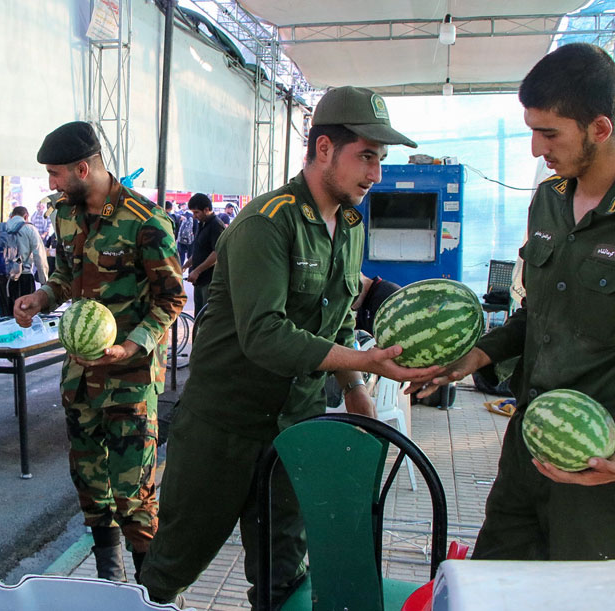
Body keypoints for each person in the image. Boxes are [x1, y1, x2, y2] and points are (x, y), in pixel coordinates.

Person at [139, 86, 436, 608]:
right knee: (172, 568)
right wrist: (363, 360)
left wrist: (355, 388)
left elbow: (338, 316)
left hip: (294, 431)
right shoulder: (266, 223)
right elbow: (264, 336)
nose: (376, 174)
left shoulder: (348, 226)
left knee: (283, 579)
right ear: (324, 149)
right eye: (366, 156)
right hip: (222, 430)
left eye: (381, 159)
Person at [412, 43, 615, 560]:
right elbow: (537, 315)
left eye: (549, 133)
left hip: (597, 469)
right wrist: (470, 359)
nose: (534, 148)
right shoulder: (549, 199)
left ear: (601, 128)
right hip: (527, 446)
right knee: (494, 580)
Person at [14, 121, 186, 584]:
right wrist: (42, 298)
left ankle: (155, 593)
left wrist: (133, 344)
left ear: (82, 168)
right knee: (91, 484)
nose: (50, 183)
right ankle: (110, 579)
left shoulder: (145, 220)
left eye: (54, 173)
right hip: (81, 377)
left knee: (134, 492)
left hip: (129, 377)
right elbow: (68, 277)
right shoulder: (65, 215)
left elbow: (172, 297)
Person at [0, 206, 49, 319]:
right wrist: (44, 282)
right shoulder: (30, 229)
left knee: (5, 320)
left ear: (12, 216)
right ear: (26, 216)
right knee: (25, 319)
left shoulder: (0, 228)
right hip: (24, 277)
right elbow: (40, 257)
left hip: (4, 279)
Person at [181, 193, 225, 317]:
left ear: (207, 209)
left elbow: (217, 253)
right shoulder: (202, 224)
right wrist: (185, 266)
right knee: (199, 317)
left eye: (196, 212)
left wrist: (197, 271)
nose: (194, 216)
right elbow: (199, 251)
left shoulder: (216, 225)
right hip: (199, 281)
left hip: (209, 280)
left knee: (207, 317)